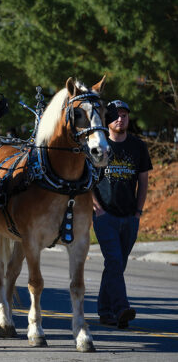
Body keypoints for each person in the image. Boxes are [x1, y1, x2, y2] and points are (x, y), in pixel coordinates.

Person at [92, 100, 152, 329]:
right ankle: (121, 308)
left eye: (124, 115)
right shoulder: (98, 144)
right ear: (107, 119)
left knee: (116, 266)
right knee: (114, 261)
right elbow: (87, 178)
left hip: (130, 217)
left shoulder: (137, 146)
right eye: (116, 115)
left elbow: (144, 180)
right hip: (105, 215)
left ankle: (105, 311)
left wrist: (138, 212)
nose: (120, 118)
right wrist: (96, 206)